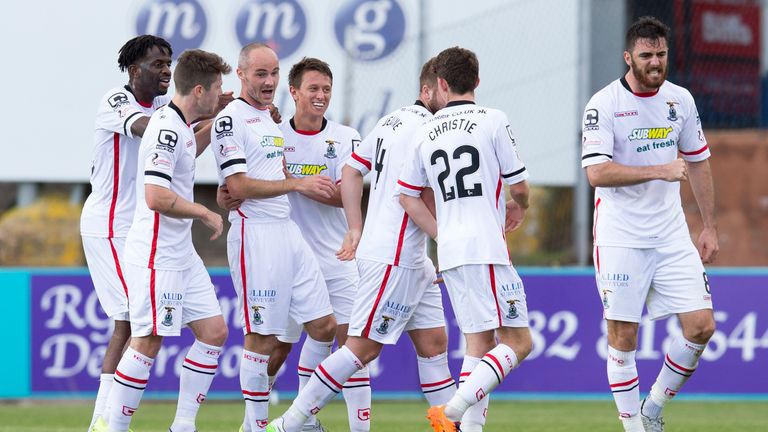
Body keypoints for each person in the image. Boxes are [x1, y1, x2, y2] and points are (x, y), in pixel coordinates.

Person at [266, 57, 456, 432]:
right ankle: (289, 424)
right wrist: (448, 242)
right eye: (448, 92)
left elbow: (352, 169)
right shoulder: (428, 131)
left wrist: (355, 227)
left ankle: (453, 426)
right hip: (393, 256)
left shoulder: (391, 121)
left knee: (434, 344)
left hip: (406, 255)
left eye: (326, 88)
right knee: (357, 349)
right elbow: (416, 197)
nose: (453, 101)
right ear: (428, 90)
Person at [581, 16, 717, 432]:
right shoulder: (603, 104)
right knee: (623, 339)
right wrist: (660, 169)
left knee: (701, 327)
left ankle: (653, 408)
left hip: (671, 235)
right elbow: (596, 173)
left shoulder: (680, 100)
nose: (655, 62)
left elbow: (698, 162)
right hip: (620, 236)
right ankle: (634, 429)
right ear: (628, 57)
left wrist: (708, 226)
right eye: (646, 55)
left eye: (661, 54)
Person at [397, 46, 533, 432]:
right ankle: (451, 412)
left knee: (479, 347)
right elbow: (519, 186)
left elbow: (407, 195)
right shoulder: (493, 119)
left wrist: (442, 233)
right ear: (477, 80)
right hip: (486, 248)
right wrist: (520, 206)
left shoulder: (425, 131)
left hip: (452, 251)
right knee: (519, 343)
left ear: (441, 83)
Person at [96, 49, 232, 432]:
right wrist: (203, 211)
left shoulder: (180, 126)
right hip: (157, 254)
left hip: (181, 253)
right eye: (217, 88)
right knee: (148, 339)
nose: (220, 94)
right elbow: (156, 197)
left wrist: (219, 120)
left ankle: (183, 425)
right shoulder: (167, 129)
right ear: (200, 90)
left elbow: (187, 153)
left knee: (214, 332)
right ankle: (112, 427)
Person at [211, 43, 338, 432]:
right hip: (255, 234)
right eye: (260, 74)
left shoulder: (269, 117)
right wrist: (296, 184)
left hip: (286, 231)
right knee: (262, 338)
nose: (269, 82)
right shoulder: (230, 120)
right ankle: (256, 426)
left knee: (325, 326)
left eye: (274, 73)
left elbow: (270, 172)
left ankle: (300, 417)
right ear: (241, 74)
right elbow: (237, 185)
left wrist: (293, 181)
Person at [271, 57, 370, 432]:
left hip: (337, 257)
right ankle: (256, 420)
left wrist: (297, 183)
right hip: (288, 258)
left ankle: (316, 422)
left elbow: (350, 193)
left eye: (326, 89)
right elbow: (254, 186)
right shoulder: (275, 136)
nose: (321, 95)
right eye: (313, 88)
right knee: (275, 348)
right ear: (294, 92)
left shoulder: (345, 137)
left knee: (354, 347)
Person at [80, 35, 173, 431]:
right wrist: (188, 118)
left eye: (169, 62)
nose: (166, 69)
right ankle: (103, 421)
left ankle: (103, 422)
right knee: (133, 320)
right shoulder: (116, 100)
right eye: (158, 63)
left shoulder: (166, 108)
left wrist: (222, 114)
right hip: (107, 225)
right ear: (135, 71)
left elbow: (183, 136)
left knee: (132, 321)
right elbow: (147, 129)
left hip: (134, 229)